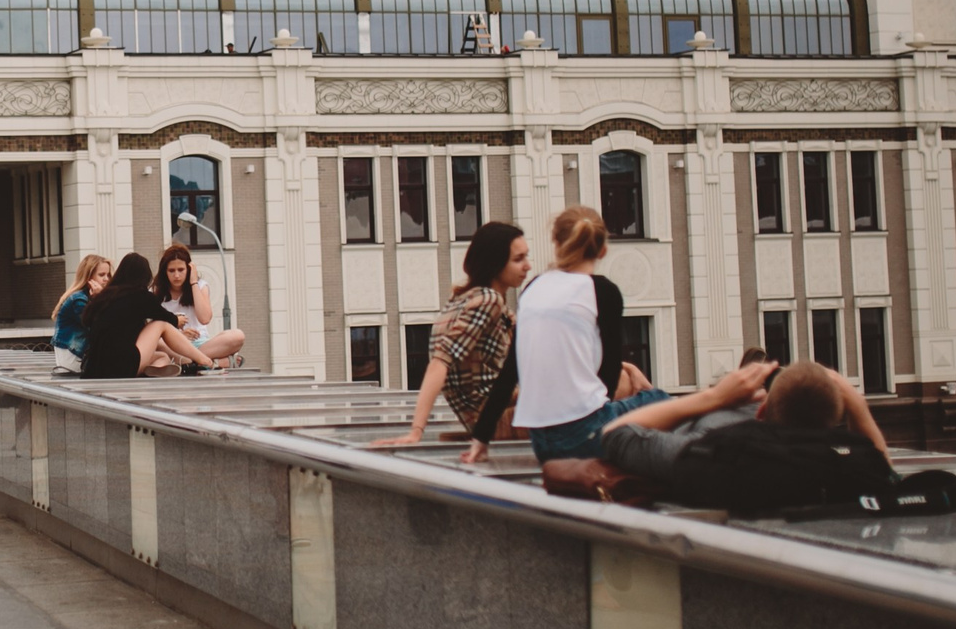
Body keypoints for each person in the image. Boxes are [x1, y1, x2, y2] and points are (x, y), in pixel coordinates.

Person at [470, 207, 661, 465]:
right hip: (586, 435)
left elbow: (510, 371)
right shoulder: (603, 291)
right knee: (659, 400)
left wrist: (481, 438)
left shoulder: (534, 287)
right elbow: (610, 367)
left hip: (543, 443)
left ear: (557, 244)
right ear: (603, 250)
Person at [600, 358, 889, 489]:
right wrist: (857, 405)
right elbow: (883, 469)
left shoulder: (725, 458)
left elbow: (615, 434)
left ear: (762, 412)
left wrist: (715, 396)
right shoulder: (849, 468)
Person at [371, 223, 528, 447]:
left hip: (495, 417)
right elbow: (440, 362)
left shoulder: (462, 300)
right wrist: (416, 431)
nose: (528, 266)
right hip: (498, 420)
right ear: (495, 262)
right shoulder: (487, 301)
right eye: (518, 259)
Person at [80, 253, 223, 379]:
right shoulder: (141, 296)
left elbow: (86, 321)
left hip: (95, 368)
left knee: (162, 357)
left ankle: (158, 369)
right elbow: (165, 318)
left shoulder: (103, 296)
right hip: (123, 367)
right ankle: (206, 362)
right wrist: (177, 320)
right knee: (159, 325)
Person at [148, 245, 244, 373]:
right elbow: (153, 330)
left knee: (237, 336)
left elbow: (205, 318)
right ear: (165, 272)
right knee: (155, 343)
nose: (176, 275)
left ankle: (192, 362)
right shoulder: (155, 292)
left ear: (189, 269)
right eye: (172, 270)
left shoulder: (201, 286)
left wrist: (193, 282)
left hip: (201, 344)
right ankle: (205, 362)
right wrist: (179, 336)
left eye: (181, 270)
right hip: (172, 346)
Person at [52, 254, 112, 374]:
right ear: (88, 277)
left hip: (81, 355)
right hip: (73, 360)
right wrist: (100, 299)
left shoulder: (89, 297)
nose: (107, 279)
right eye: (102, 275)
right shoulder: (78, 300)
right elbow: (98, 327)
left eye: (108, 274)